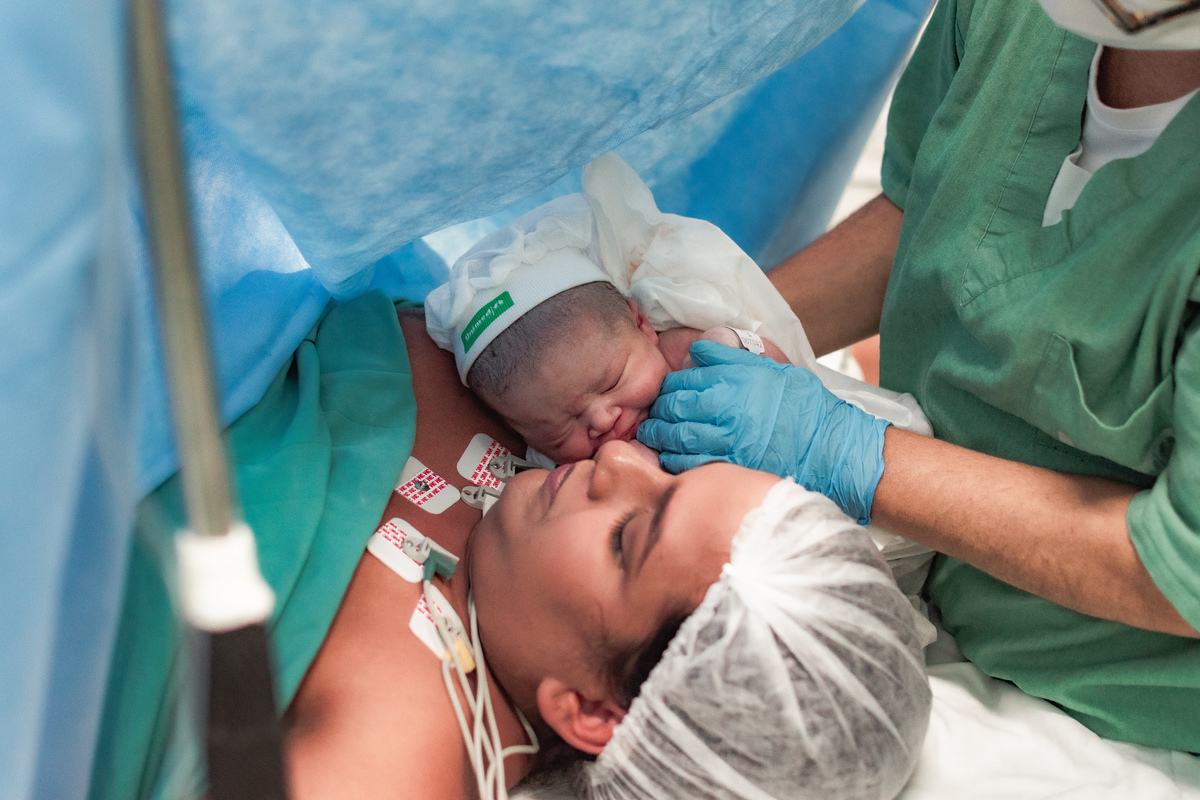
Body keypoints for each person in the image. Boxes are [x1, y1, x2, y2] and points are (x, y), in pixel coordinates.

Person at [91, 291, 930, 800]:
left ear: (592, 712)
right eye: (676, 476)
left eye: (629, 538)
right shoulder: (573, 441)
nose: (621, 463)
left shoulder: (400, 751)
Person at [638, 0, 1200, 753]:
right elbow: (937, 201)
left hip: (1111, 685)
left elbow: (1174, 562)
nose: (609, 469)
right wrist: (717, 331)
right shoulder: (1024, 19)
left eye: (628, 538)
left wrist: (846, 450)